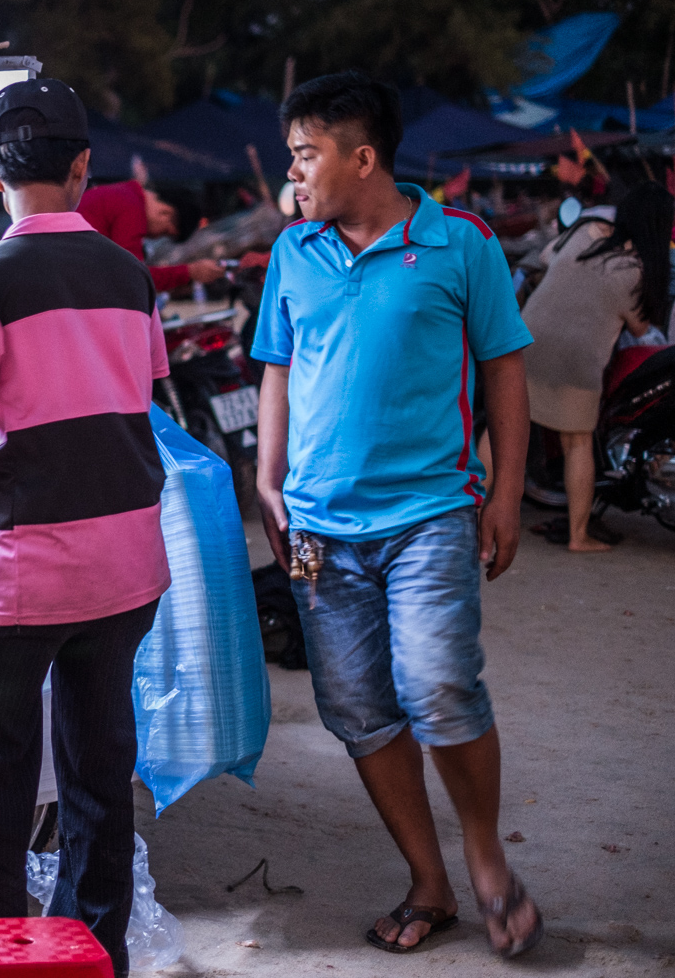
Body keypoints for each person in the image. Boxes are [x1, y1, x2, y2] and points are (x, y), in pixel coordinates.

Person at [252, 71, 543, 958]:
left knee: (439, 684)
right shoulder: (294, 253)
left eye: (305, 154)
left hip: (430, 514)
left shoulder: (462, 243)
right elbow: (278, 368)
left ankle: (487, 861)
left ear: (363, 158)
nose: (292, 172)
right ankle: (430, 881)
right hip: (318, 528)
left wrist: (505, 494)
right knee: (359, 711)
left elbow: (505, 371)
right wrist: (267, 481)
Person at [0, 78, 171, 974]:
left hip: (25, 570)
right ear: (82, 167)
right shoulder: (130, 276)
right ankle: (93, 955)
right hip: (126, 561)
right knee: (99, 771)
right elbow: (135, 394)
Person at [521, 182, 673, 551]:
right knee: (577, 444)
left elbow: (546, 257)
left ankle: (478, 517)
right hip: (577, 361)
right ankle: (578, 536)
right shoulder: (636, 271)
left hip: (526, 342)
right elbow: (641, 331)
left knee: (505, 430)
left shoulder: (588, 231)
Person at [77, 178, 225, 292]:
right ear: (165, 213)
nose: (156, 237)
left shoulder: (124, 195)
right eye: (164, 232)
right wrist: (190, 272)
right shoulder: (132, 209)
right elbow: (133, 277)